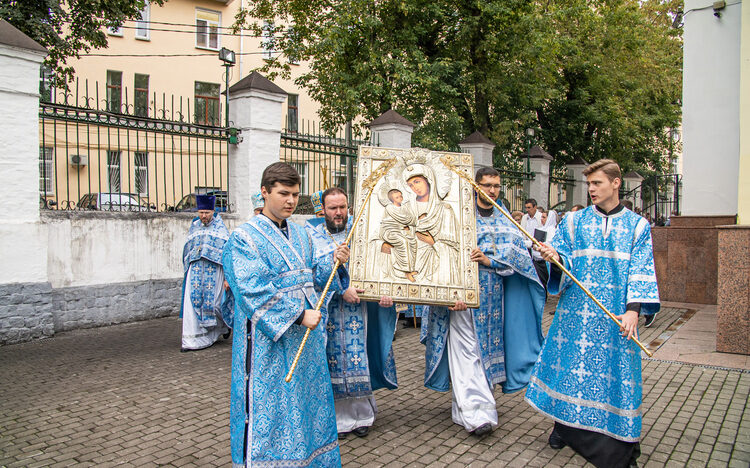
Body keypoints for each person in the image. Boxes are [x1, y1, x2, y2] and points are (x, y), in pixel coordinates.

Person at [526, 159, 659, 468]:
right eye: (588, 184)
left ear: (615, 183)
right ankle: (564, 427)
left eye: (597, 183)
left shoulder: (638, 226)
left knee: (616, 379)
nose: (591, 189)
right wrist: (555, 256)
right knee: (570, 374)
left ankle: (620, 445)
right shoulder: (574, 223)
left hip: (617, 318)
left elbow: (641, 271)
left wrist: (633, 311)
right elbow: (564, 263)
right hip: (577, 317)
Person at [222, 163, 345, 467]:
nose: (290, 201)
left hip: (306, 343)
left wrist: (335, 260)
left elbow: (317, 275)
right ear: (264, 192)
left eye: (295, 194)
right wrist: (299, 314)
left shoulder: (303, 234)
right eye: (283, 194)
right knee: (274, 407)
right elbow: (251, 290)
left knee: (306, 406)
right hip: (270, 345)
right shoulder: (244, 238)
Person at [421, 167, 546, 436]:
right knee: (465, 352)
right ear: (475, 186)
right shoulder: (458, 216)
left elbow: (519, 260)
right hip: (461, 300)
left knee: (483, 354)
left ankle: (463, 408)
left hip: (494, 302)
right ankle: (479, 414)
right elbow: (439, 254)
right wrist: (451, 293)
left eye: (497, 186)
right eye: (487, 185)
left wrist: (490, 261)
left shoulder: (505, 220)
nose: (492, 190)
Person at [306, 187, 399, 438]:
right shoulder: (311, 236)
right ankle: (338, 419)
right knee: (333, 361)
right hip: (330, 311)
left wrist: (384, 292)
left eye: (342, 207)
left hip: (360, 310)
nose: (339, 213)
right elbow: (310, 273)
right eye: (333, 208)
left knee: (360, 357)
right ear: (323, 210)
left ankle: (362, 415)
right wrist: (340, 287)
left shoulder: (361, 232)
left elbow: (380, 266)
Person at [180, 194, 231, 351]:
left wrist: (227, 277)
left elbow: (227, 253)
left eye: (207, 213)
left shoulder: (220, 228)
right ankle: (191, 340)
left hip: (214, 271)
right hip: (195, 271)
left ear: (213, 211)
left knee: (215, 305)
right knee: (192, 304)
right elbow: (188, 248)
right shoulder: (194, 226)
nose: (203, 216)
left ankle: (222, 327)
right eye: (201, 212)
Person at [402, 164, 460, 285]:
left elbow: (455, 250)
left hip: (437, 270)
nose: (415, 188)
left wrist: (433, 243)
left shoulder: (445, 210)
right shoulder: (406, 208)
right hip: (411, 268)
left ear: (428, 180)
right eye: (411, 185)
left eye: (417, 182)